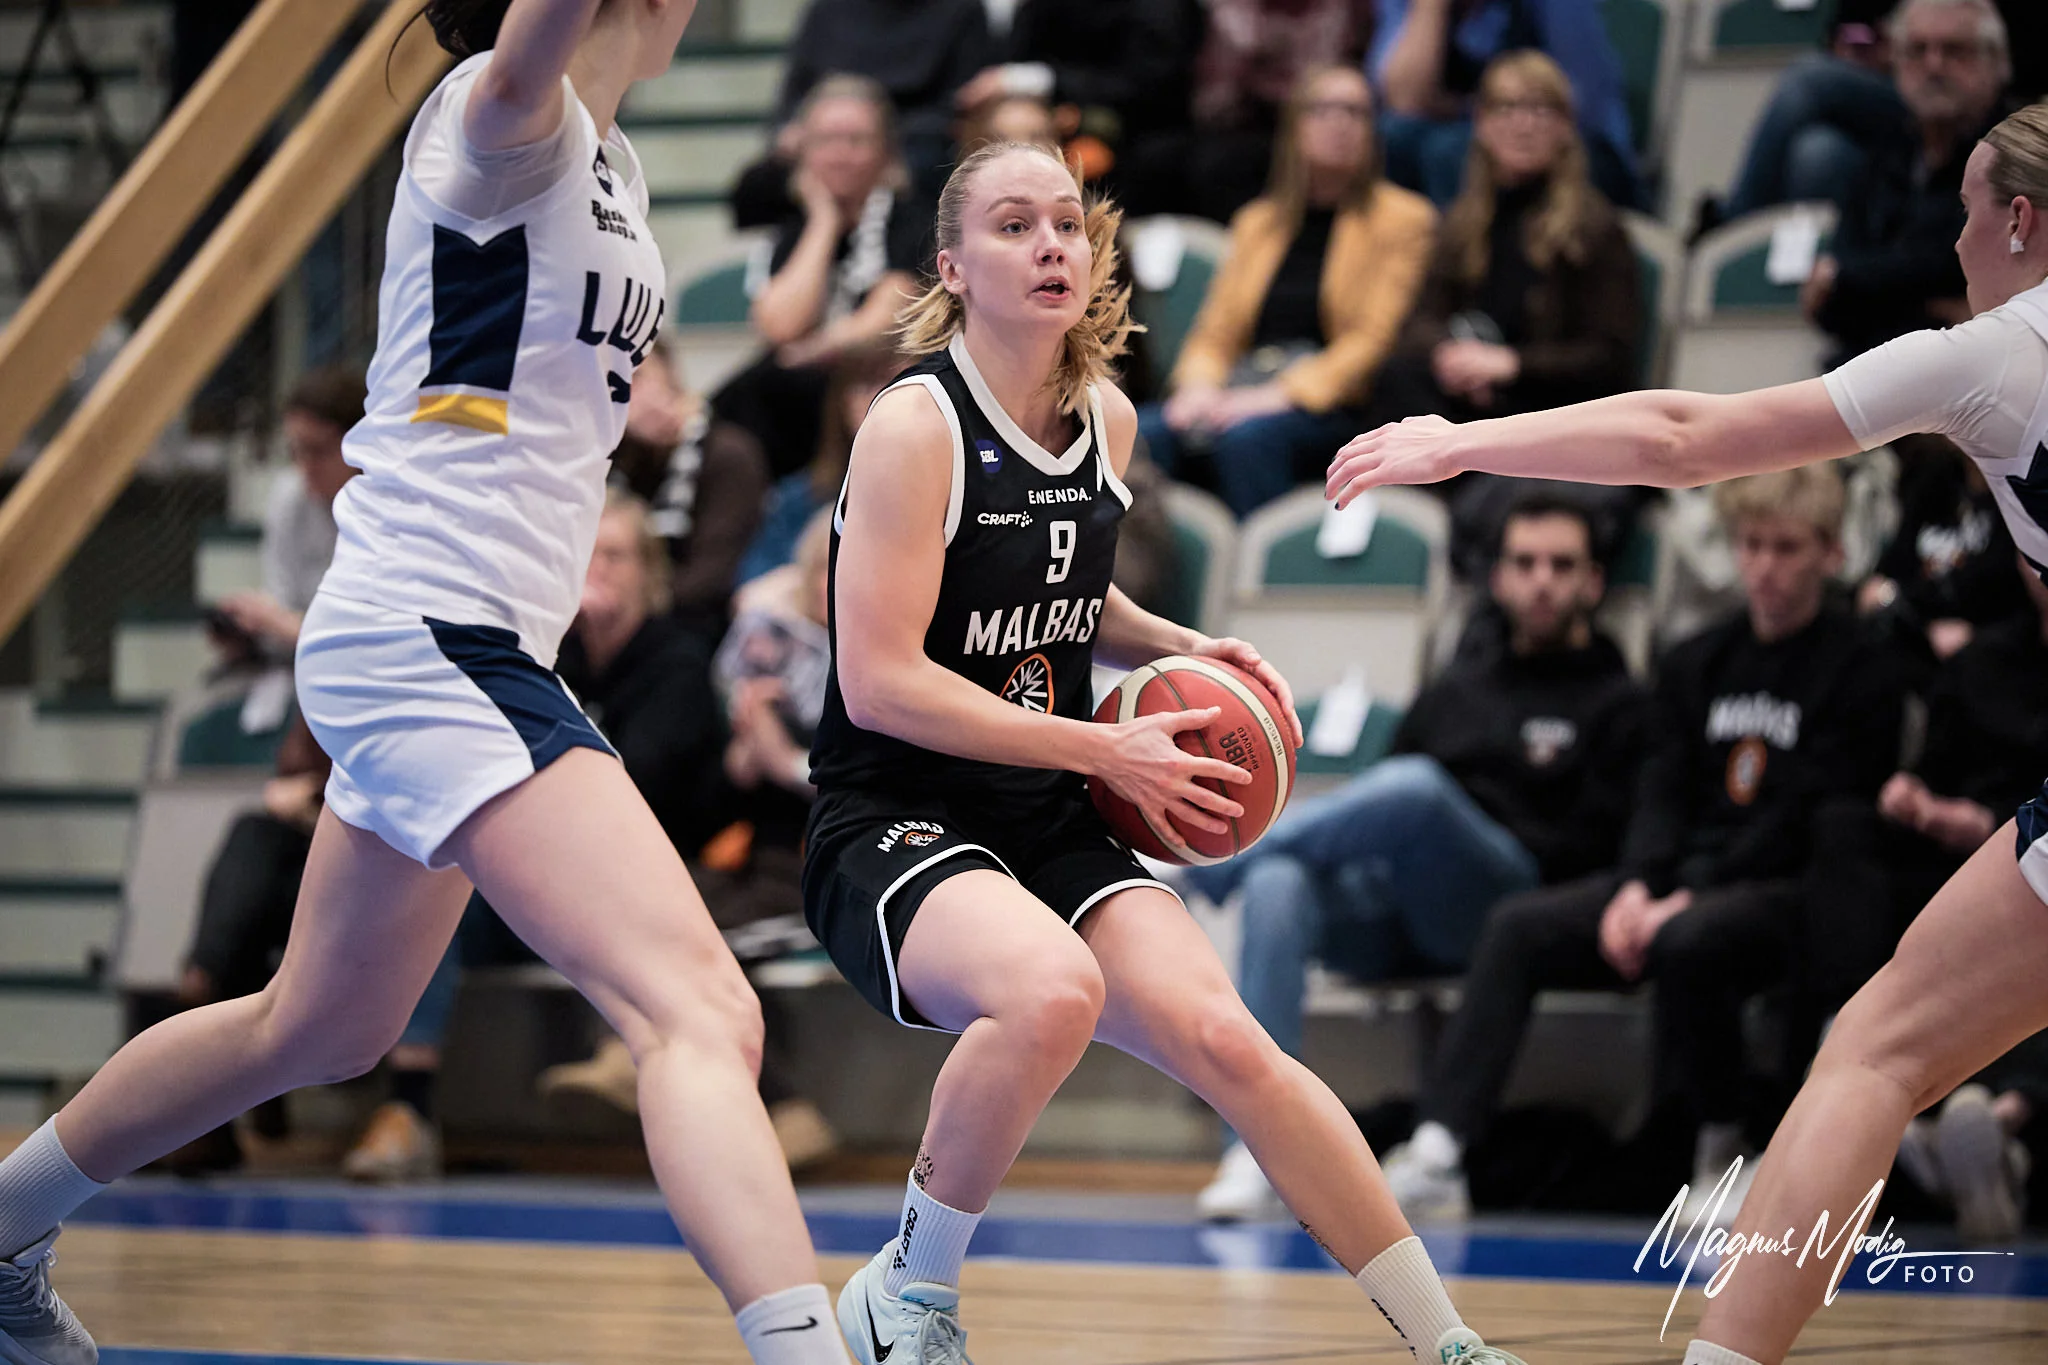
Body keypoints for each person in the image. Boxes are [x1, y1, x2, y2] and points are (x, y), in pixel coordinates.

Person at [0, 5, 857, 1364]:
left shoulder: (611, 170)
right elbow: (534, 46)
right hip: (430, 633)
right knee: (698, 1007)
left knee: (318, 1025)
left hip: (460, 640)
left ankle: (2, 1227)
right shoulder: (494, 116)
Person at [1324, 98, 2048, 1365]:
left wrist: (1462, 443)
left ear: (2019, 220)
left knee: (1873, 1055)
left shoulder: (1991, 351)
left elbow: (1683, 437)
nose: (1952, 247)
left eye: (1964, 217)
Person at [807, 137, 1527, 1365]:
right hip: (892, 814)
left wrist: (1183, 638)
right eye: (1013, 226)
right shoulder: (912, 429)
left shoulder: (1106, 423)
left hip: (1040, 810)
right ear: (952, 268)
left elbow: (1066, 599)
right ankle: (906, 1295)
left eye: (1066, 226)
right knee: (1049, 990)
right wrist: (1104, 744)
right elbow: (879, 686)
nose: (1048, 245)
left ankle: (1447, 1344)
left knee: (1233, 1043)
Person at [1379, 466, 1905, 1224]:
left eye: (1786, 547)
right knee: (1521, 924)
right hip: (1679, 880)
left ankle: (1721, 1148)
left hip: (1790, 889)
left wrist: (1685, 897)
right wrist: (1637, 885)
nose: (1764, 565)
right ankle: (1439, 1147)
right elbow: (1660, 790)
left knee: (1693, 940)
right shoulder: (1697, 660)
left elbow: (1809, 813)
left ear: (1828, 553)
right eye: (1751, 544)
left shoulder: (1861, 668)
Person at [1191, 493, 1645, 1221]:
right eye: (1524, 563)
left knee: (1418, 790)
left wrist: (1460, 832)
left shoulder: (1618, 700)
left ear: (1593, 581)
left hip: (1508, 905)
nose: (1542, 580)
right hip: (1399, 906)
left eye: (1562, 565)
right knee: (1280, 881)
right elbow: (1382, 807)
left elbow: (1599, 851)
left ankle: (1210, 865)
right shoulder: (1457, 685)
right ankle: (1254, 1150)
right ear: (1496, 577)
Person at [1366, 50, 1642, 578]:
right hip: (1473, 405)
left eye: (1540, 110)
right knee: (1395, 376)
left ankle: (1482, 509)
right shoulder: (1461, 223)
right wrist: (1450, 357)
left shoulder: (1596, 230)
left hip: (1549, 408)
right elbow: (1417, 322)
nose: (1523, 123)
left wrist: (1510, 364)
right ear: (1482, 125)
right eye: (1507, 108)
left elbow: (1609, 356)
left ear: (1565, 128)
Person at [1137, 65, 1437, 518]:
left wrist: (1277, 396)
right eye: (1325, 110)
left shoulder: (1404, 220)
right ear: (1296, 126)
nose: (1341, 123)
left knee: (1247, 441)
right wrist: (1198, 387)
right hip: (1244, 384)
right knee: (1143, 431)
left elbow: (1372, 341)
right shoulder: (1257, 223)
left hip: (1335, 401)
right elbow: (1216, 333)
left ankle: (1251, 576)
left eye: (1356, 111)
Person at [716, 76, 927, 479]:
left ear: (885, 151)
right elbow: (779, 325)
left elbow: (888, 313)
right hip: (794, 397)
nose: (840, 155)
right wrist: (824, 220)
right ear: (803, 150)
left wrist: (820, 347)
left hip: (870, 382)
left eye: (856, 140)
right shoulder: (798, 229)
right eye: (825, 141)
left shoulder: (909, 218)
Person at [1803, 0, 2012, 363]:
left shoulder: (2018, 150)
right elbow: (1828, 305)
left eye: (1954, 50)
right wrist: (1919, 297)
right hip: (1867, 378)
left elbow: (1956, 261)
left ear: (1996, 62)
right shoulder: (1884, 153)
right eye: (1917, 51)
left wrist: (1855, 280)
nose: (1933, 65)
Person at [1368, 0, 1640, 209]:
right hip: (1474, 126)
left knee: (1450, 152)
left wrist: (1472, 111)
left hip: (1581, 147)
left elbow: (1582, 100)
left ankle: (1465, 270)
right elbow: (1405, 100)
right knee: (1392, 138)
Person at [607, 340, 770, 637]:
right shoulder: (614, 458)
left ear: (669, 373)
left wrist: (628, 605)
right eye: (614, 383)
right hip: (614, 620)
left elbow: (712, 576)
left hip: (693, 625)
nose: (628, 393)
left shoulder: (727, 453)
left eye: (639, 377)